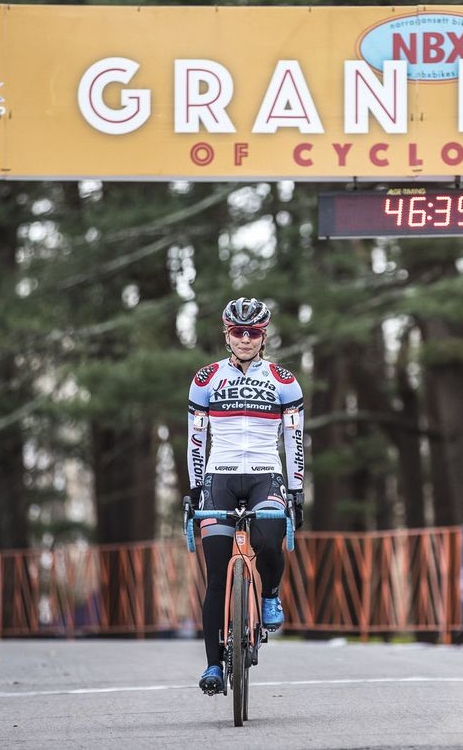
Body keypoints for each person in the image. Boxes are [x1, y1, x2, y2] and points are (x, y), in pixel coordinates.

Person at [187, 297, 306, 696]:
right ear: (226, 334)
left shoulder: (283, 380)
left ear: (263, 336)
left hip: (265, 477)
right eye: (237, 332)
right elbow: (195, 439)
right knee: (217, 572)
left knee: (270, 537)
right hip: (219, 476)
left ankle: (270, 595)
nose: (244, 339)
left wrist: (297, 490)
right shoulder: (206, 379)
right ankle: (212, 667)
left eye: (252, 332)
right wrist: (194, 488)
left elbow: (294, 439)